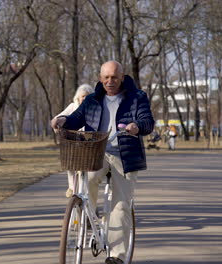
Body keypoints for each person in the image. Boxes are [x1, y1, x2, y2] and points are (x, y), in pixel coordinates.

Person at [51, 60, 154, 264]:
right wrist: (62, 120)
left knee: (120, 205)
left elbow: (147, 121)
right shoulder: (92, 99)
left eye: (114, 77)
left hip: (124, 154)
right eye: (106, 77)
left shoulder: (137, 97)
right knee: (86, 182)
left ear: (122, 78)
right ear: (100, 78)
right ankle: (87, 214)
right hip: (95, 152)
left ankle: (116, 256)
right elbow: (76, 119)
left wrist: (136, 126)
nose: (110, 81)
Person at [54, 83, 94, 198]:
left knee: (85, 171)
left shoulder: (94, 108)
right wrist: (56, 122)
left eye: (87, 96)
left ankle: (85, 195)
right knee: (71, 164)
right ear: (78, 97)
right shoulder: (72, 106)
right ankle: (72, 187)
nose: (85, 98)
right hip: (73, 142)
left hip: (88, 143)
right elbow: (60, 117)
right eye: (83, 96)